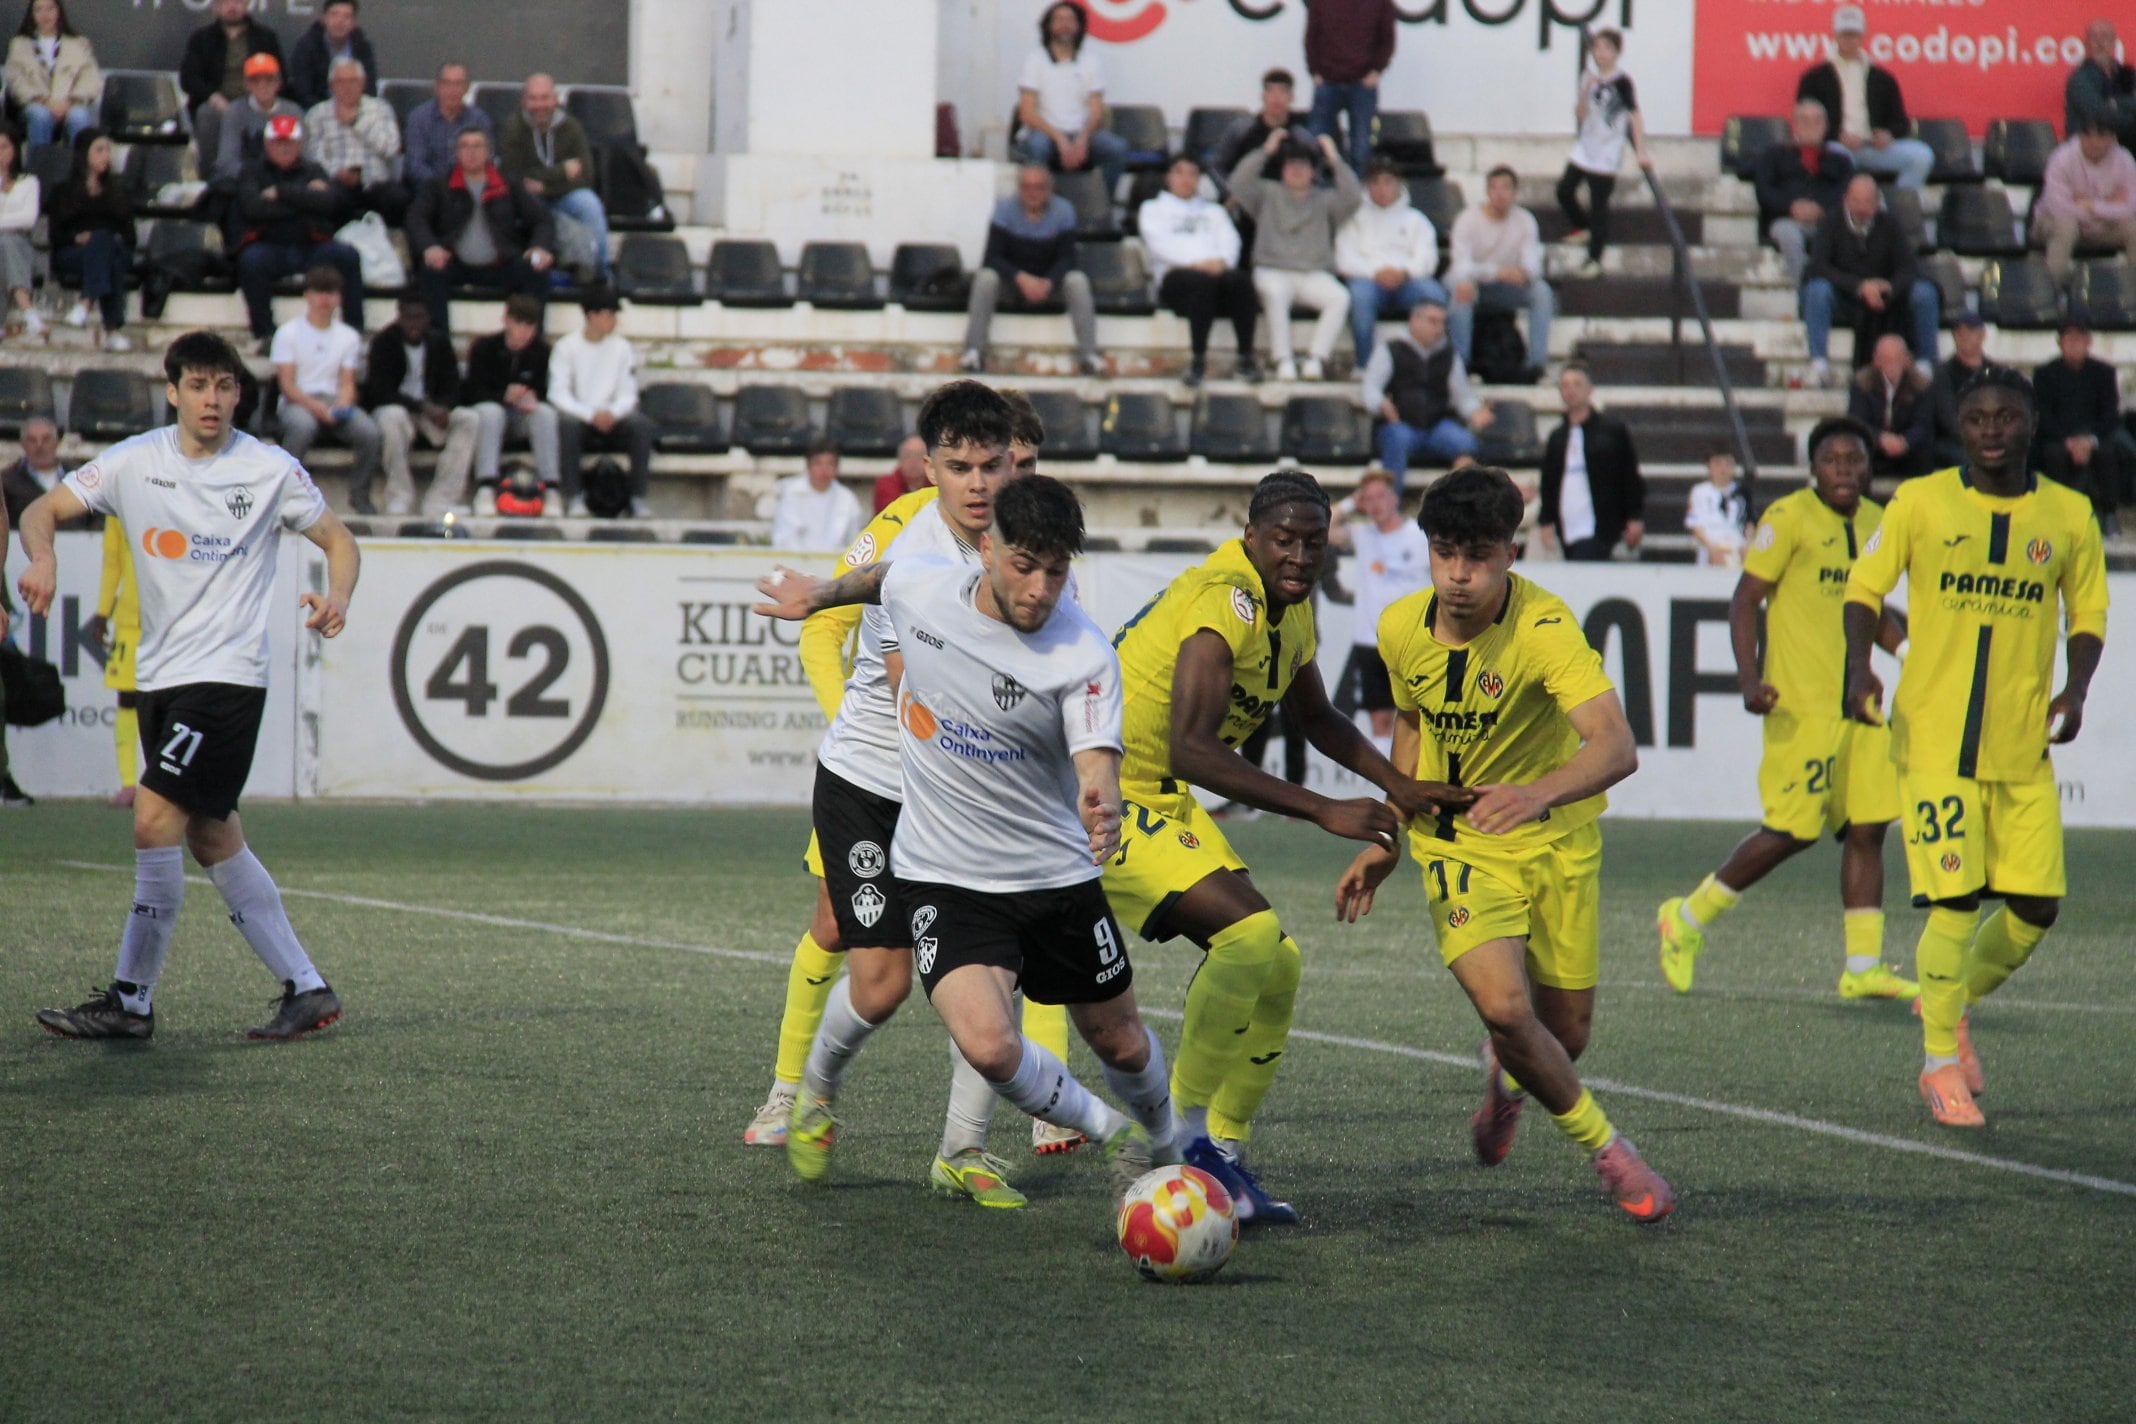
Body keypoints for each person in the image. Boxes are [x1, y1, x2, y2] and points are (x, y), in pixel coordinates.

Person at [758, 473, 1182, 1209]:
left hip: (1054, 876)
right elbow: (880, 577)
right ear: (987, 551)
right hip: (946, 873)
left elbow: (1095, 762)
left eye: (1056, 572)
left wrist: (1102, 798)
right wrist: (817, 595)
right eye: (1025, 565)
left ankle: (1172, 1147)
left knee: (1121, 1041)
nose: (1040, 589)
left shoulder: (1082, 652)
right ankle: (1115, 1135)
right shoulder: (925, 585)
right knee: (984, 1041)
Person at [1104, 472, 1460, 1224]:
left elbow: (1318, 717)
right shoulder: (1224, 601)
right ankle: (1170, 1141)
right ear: (1250, 538)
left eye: (1313, 542)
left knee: (1278, 962)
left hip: (1157, 792)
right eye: (1283, 540)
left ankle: (1221, 1152)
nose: (1299, 556)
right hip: (1094, 793)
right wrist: (1323, 808)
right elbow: (1193, 747)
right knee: (1248, 934)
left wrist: (1400, 785)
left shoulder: (1289, 611)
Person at [743, 382, 1078, 1175]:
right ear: (930, 468)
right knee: (874, 974)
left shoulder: (1028, 547)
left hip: (963, 786)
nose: (986, 482)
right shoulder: (908, 548)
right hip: (877, 780)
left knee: (997, 963)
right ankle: (798, 1091)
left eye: (1002, 465)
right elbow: (912, 691)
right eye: (964, 467)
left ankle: (964, 1148)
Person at [1337, 465, 1671, 1221]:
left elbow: (1615, 745)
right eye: (1445, 553)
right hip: (1457, 846)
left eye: (1479, 556)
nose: (1459, 575)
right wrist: (1389, 838)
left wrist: (1536, 794)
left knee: (1565, 1036)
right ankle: (1613, 1155)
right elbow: (1412, 727)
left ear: (1511, 555)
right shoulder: (1399, 628)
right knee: (1507, 1009)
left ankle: (1508, 1081)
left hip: (1556, 842)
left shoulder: (1545, 628)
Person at [19, 330, 361, 1042]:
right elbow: (37, 511)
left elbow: (339, 540)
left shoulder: (268, 469)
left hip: (228, 678)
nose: (212, 399)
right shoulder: (135, 460)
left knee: (152, 819)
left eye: (224, 386)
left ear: (238, 394)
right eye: (198, 385)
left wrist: (338, 597)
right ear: (172, 392)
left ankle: (131, 1001)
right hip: (161, 678)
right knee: (210, 834)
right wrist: (43, 559)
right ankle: (307, 988)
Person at [1844, 365, 2108, 1129]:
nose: (1991, 430)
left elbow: (2088, 614)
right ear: (1959, 427)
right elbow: (1864, 588)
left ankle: (1949, 1001)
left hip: (2021, 744)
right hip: (1934, 739)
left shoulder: (2069, 514)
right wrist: (1860, 666)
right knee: (1956, 902)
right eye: (1977, 418)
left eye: (2006, 417)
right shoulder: (1920, 501)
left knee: (2035, 909)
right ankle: (1938, 1063)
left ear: (2032, 422)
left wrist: (2075, 689)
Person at [1659, 417, 1917, 1001]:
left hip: (1861, 705)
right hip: (1801, 705)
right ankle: (1687, 916)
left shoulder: (1880, 523)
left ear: (1868, 468)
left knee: (1869, 827)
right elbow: (1745, 599)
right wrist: (1749, 677)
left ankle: (1862, 967)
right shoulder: (1789, 517)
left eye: (1854, 460)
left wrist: (1908, 653)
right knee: (1791, 832)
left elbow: (1871, 609)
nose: (1844, 470)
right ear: (1812, 469)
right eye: (1832, 460)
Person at [1230, 129, 1359, 381]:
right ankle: (1283, 360)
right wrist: (1266, 150)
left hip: (1313, 273)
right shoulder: (1266, 194)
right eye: (1291, 165)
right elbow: (1238, 183)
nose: (1296, 170)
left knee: (1340, 297)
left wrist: (1334, 158)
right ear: (1282, 170)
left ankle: (1316, 359)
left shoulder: (1326, 200)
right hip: (1272, 270)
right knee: (1276, 294)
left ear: (1313, 172)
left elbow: (1353, 196)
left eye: (1303, 165)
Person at [406, 127, 555, 334]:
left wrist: (539, 247)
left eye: (477, 146)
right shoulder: (439, 185)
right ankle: (438, 341)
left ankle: (532, 339)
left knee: (535, 270)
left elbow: (542, 220)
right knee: (430, 271)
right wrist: (430, 247)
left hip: (502, 264)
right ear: (456, 152)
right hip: (455, 263)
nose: (471, 152)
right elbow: (416, 219)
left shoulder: (508, 183)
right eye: (465, 146)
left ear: (488, 152)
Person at [233, 114, 363, 345]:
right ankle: (265, 335)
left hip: (312, 246)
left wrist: (281, 193)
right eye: (278, 142)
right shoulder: (252, 171)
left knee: (348, 256)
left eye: (289, 142)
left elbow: (328, 203)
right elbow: (253, 209)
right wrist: (305, 198)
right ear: (267, 144)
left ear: (299, 144)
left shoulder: (313, 169)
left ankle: (354, 331)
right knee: (250, 261)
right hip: (270, 246)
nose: (284, 148)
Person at [959, 164, 1099, 377]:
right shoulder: (1004, 210)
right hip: (1013, 285)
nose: (1032, 193)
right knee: (985, 278)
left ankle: (1089, 355)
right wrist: (1021, 279)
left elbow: (1068, 259)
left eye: (1039, 187)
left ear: (1049, 189)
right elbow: (992, 258)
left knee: (1077, 280)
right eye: (1026, 187)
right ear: (1019, 189)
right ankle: (974, 352)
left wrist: (1048, 282)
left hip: (1049, 286)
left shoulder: (1064, 211)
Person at [1803, 173, 1938, 387]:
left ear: (1876, 203)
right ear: (1846, 200)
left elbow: (1909, 267)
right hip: (1845, 296)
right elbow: (1818, 266)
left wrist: (1889, 288)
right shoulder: (1830, 223)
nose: (1861, 208)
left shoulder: (1890, 224)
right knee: (1817, 290)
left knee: (1924, 292)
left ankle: (1924, 364)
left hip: (1886, 298)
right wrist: (1859, 287)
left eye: (1867, 202)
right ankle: (1818, 363)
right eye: (1856, 201)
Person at [1138, 151, 1258, 387]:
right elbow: (1159, 245)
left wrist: (1221, 262)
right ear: (1169, 177)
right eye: (1180, 173)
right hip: (1177, 277)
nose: (1186, 179)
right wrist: (1197, 264)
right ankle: (1198, 360)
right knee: (1201, 283)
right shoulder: (1153, 209)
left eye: (1192, 174)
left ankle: (1246, 359)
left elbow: (1231, 241)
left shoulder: (1214, 212)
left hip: (1216, 273)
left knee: (1242, 281)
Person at [1329, 467, 1428, 748]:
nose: (1376, 504)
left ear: (1394, 497)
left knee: (1413, 717)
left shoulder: (1418, 535)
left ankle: (1415, 771)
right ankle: (1385, 774)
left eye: (1381, 496)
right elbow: (1322, 528)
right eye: (1368, 498)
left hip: (1409, 640)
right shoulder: (1362, 534)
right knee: (1379, 718)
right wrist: (1351, 503)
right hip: (1370, 640)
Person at [272, 265, 379, 513]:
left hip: (333, 400)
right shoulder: (288, 333)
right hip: (298, 401)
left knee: (370, 433)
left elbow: (347, 382)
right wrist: (316, 407)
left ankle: (360, 494)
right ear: (307, 295)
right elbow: (287, 385)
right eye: (319, 292)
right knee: (302, 427)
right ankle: (285, 494)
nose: (324, 299)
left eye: (330, 292)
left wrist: (343, 402)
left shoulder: (348, 336)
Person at [1796, 6, 1935, 189]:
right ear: (1835, 36)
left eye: (1854, 35)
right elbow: (1804, 123)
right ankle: (1846, 204)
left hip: (1873, 147)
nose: (1849, 40)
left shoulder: (1882, 78)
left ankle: (1896, 202)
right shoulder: (1814, 78)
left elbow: (1900, 122)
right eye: (1845, 34)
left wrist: (1888, 135)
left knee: (1921, 156)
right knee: (1839, 157)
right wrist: (1836, 136)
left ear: (1862, 36)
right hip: (1836, 146)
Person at [441, 293, 559, 506]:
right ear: (506, 320)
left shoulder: (542, 352)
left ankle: (551, 487)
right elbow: (472, 392)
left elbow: (548, 391)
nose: (524, 332)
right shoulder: (484, 348)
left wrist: (532, 398)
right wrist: (503, 395)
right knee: (490, 412)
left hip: (522, 418)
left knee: (545, 414)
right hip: (492, 419)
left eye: (530, 326)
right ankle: (486, 485)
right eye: (519, 324)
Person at [1362, 299, 1491, 491]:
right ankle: (1391, 500)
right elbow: (1370, 388)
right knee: (1397, 439)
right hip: (1400, 423)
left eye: (1442, 322)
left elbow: (1462, 396)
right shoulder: (1391, 349)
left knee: (1465, 442)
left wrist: (1475, 412)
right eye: (1433, 321)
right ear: (1414, 320)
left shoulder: (1449, 354)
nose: (1439, 328)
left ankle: (1461, 496)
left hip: (1437, 426)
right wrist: (1381, 404)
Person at [549, 286, 653, 518]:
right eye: (608, 314)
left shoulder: (622, 348)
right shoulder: (566, 347)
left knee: (641, 426)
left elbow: (628, 394)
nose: (613, 320)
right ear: (591, 316)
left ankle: (637, 498)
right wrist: (590, 415)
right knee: (567, 425)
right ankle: (574, 497)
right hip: (580, 419)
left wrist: (612, 413)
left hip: (613, 420)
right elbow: (558, 394)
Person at [1557, 27, 1651, 280]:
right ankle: (1582, 225)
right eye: (1597, 48)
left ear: (1617, 52)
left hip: (1607, 152)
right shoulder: (1588, 78)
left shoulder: (1622, 82)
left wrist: (1640, 150)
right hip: (1585, 147)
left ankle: (1594, 259)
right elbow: (1580, 114)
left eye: (1607, 48)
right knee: (1564, 190)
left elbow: (1634, 115)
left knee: (1599, 206)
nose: (1600, 53)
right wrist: (1585, 90)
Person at [499, 72, 609, 283]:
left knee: (589, 204)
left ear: (556, 99)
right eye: (533, 98)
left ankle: (600, 274)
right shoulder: (513, 129)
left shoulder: (572, 127)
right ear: (523, 101)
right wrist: (562, 171)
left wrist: (545, 186)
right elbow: (513, 175)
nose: (540, 105)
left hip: (563, 196)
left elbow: (586, 176)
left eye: (545, 98)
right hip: (529, 198)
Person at [1338, 158, 1448, 366]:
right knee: (1360, 297)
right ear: (1367, 186)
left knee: (1434, 295)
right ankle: (1364, 365)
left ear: (1398, 185)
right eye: (1375, 182)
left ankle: (1437, 363)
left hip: (1408, 281)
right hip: (1368, 280)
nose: (1382, 189)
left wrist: (1403, 273)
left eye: (1388, 182)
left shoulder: (1416, 220)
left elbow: (1427, 258)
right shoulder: (1354, 219)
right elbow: (1345, 259)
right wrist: (1376, 273)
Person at [1446, 166, 1552, 382]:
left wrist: (1524, 273)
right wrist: (1496, 272)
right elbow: (1460, 266)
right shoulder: (1467, 219)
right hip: (1473, 283)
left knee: (1541, 292)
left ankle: (1537, 365)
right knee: (1462, 287)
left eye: (1505, 188)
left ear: (1515, 192)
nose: (1499, 194)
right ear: (1487, 191)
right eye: (1494, 188)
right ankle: (1462, 366)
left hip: (1506, 287)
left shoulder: (1525, 220)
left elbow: (1532, 263)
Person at [1014, 2, 1127, 199]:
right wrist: (1060, 139)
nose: (1065, 25)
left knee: (1116, 148)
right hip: (1045, 133)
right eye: (1059, 19)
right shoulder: (1035, 60)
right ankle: (1043, 206)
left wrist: (1082, 139)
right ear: (1049, 26)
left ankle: (1101, 204)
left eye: (1070, 20)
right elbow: (1027, 113)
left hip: (1080, 133)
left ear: (1079, 26)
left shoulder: (1091, 61)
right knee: (1037, 147)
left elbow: (1097, 114)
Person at [362, 296, 462, 517]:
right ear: (399, 317)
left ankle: (442, 499)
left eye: (419, 318)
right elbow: (380, 392)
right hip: (398, 410)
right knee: (391, 417)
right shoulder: (384, 343)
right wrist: (421, 406)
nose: (413, 324)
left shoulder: (439, 343)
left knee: (469, 419)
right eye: (408, 318)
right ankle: (399, 497)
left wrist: (444, 407)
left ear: (428, 318)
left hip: (431, 415)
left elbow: (453, 385)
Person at [1538, 362, 1644, 561]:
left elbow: (1629, 474)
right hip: (1566, 526)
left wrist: (1634, 516)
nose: (1571, 390)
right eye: (1565, 385)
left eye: (1577, 384)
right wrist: (1546, 520)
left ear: (1589, 389)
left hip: (1601, 525)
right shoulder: (1557, 437)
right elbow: (1549, 482)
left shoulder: (1612, 431)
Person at [2033, 322, 2130, 532]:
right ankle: (2057, 513)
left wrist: (2088, 441)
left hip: (2094, 436)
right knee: (2053, 454)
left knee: (2108, 452)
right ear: (2060, 343)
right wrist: (2068, 441)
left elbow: (2110, 415)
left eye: (2078, 339)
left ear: (2088, 342)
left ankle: (2109, 514)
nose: (2074, 344)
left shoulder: (2103, 372)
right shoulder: (2045, 374)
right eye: (2068, 339)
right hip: (2059, 437)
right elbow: (2042, 414)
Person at [1754, 99, 1855, 291]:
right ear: (1795, 124)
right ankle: (1805, 291)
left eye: (1817, 121)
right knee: (1788, 233)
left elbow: (1846, 191)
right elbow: (1764, 191)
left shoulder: (1841, 161)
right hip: (1787, 220)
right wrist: (1791, 206)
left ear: (1826, 126)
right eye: (1804, 120)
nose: (1811, 126)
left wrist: (1821, 209)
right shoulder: (1774, 155)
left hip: (1828, 221)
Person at [48, 126, 133, 350]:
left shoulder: (118, 191)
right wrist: (77, 239)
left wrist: (101, 239)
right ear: (84, 154)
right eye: (99, 150)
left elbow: (129, 236)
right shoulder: (63, 191)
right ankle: (113, 332)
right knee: (108, 257)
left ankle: (85, 304)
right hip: (73, 252)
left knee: (105, 242)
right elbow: (55, 235)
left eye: (108, 150)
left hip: (113, 248)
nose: (106, 156)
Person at [178, 0, 281, 172]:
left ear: (247, 4)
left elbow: (279, 75)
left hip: (254, 102)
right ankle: (211, 175)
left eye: (238, 2)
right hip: (218, 105)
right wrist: (212, 96)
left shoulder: (265, 37)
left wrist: (260, 96)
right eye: (226, 2)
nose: (232, 7)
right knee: (206, 113)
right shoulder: (202, 38)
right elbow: (188, 78)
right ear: (215, 7)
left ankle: (264, 174)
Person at [2032, 115, 2136, 286]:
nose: (2093, 142)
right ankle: (2052, 290)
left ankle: (2131, 293)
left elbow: (2130, 208)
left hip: (2103, 225)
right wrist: (2109, 205)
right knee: (2066, 226)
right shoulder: (2062, 158)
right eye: (2087, 135)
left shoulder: (2125, 161)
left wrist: (2092, 206)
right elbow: (2058, 207)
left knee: (2134, 227)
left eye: (2101, 136)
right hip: (2052, 223)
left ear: (2112, 138)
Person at [304, 56, 405, 227]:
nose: (347, 87)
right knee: (324, 199)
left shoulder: (380, 109)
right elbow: (312, 156)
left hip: (375, 183)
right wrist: (336, 172)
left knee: (398, 198)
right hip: (336, 183)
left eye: (352, 81)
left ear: (363, 82)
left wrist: (357, 122)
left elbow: (391, 148)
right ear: (331, 85)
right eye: (341, 82)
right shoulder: (316, 114)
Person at [1304, 0, 1394, 177]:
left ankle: (1358, 191)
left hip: (1362, 85)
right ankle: (1313, 190)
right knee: (1315, 144)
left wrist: (1377, 70)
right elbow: (1311, 36)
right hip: (1328, 82)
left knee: (1361, 147)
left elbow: (1387, 38)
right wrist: (1314, 70)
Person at [87, 510, 140, 807]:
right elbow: (112, 560)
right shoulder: (119, 503)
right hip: (130, 621)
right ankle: (129, 783)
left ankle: (162, 787)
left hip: (171, 623)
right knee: (128, 700)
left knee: (169, 701)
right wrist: (103, 611)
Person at [6, 0, 99, 150]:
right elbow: (16, 82)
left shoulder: (78, 44)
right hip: (36, 105)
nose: (45, 15)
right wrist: (45, 101)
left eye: (50, 9)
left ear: (59, 12)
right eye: (39, 10)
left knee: (79, 116)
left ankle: (78, 164)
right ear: (32, 14)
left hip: (69, 104)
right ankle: (40, 164)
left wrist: (70, 102)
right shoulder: (19, 44)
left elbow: (90, 79)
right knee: (40, 116)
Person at [1848, 333, 1934, 488]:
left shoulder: (1920, 385)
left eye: (1896, 358)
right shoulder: (1861, 384)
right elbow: (1857, 421)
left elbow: (1923, 424)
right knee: (1858, 451)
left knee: (1925, 452)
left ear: (1906, 359)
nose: (1892, 364)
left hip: (1907, 449)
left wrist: (1904, 442)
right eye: (1886, 359)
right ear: (1876, 360)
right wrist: (1881, 438)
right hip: (1875, 448)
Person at [210, 51, 301, 194]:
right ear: (246, 84)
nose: (262, 85)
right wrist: (259, 179)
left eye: (269, 79)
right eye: (255, 80)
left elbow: (302, 154)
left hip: (285, 180)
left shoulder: (293, 111)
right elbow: (226, 160)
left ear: (279, 82)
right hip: (245, 181)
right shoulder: (234, 112)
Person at [403, 61, 492, 192]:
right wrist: (442, 187)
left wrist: (460, 185)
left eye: (458, 84)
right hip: (428, 188)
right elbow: (416, 164)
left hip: (466, 189)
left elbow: (486, 160)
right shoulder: (418, 118)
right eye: (447, 83)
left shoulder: (479, 119)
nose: (453, 90)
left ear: (467, 87)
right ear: (437, 87)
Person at [771, 437, 862, 552]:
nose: (824, 470)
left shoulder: (848, 500)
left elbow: (854, 542)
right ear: (808, 467)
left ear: (837, 469)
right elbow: (783, 539)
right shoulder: (792, 494)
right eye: (818, 464)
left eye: (830, 464)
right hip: (795, 560)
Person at [284, 0, 376, 113]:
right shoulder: (307, 47)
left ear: (354, 23)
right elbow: (303, 92)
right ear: (323, 18)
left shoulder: (362, 47)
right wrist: (331, 111)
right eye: (334, 15)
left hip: (356, 111)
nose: (340, 21)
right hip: (316, 111)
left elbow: (369, 89)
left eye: (346, 17)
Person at [1211, 67, 1301, 182]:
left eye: (1282, 91)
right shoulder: (1240, 131)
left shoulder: (1301, 137)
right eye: (1270, 91)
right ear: (1262, 96)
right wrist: (1232, 190)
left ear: (1292, 97)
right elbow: (1217, 168)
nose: (1276, 97)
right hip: (1244, 191)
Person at [1929, 311, 1989, 469]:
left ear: (1982, 335)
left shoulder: (1995, 372)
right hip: (1954, 442)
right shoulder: (1943, 374)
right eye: (1960, 333)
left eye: (1970, 332)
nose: (1964, 337)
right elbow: (1947, 417)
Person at [2065, 20, 2135, 154]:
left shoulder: (2127, 74)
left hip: (2126, 150)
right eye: (2094, 38)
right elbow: (2100, 116)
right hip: (2089, 153)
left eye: (2105, 37)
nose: (2100, 43)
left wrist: (2116, 102)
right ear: (2086, 44)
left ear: (2114, 43)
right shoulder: (2079, 79)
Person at [0, 124, 43, 339]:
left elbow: (28, 219)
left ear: (14, 149)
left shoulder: (29, 183)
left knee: (7, 243)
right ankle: (29, 312)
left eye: (4, 147)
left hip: (22, 247)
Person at [1683, 450, 1749, 566]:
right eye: (1718, 464)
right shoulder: (1699, 492)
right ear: (1709, 467)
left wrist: (1747, 546)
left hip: (1737, 546)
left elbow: (1750, 524)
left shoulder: (1743, 492)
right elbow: (1694, 525)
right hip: (1710, 547)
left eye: (1728, 464)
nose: (1723, 469)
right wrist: (1712, 548)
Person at [2, 411, 67, 525]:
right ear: (22, 444)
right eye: (32, 440)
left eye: (46, 439)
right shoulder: (6, 483)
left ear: (57, 442)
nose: (39, 446)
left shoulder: (78, 477)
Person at [872, 433, 928, 513]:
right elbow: (892, 513)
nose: (913, 461)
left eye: (919, 455)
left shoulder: (937, 484)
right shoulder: (885, 484)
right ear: (899, 460)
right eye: (907, 455)